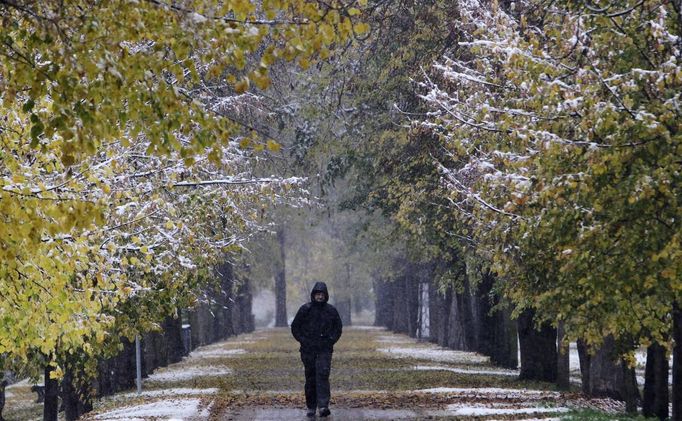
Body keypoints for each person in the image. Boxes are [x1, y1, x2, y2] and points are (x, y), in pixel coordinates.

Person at [291, 282, 343, 418]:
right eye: (317, 294)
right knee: (311, 377)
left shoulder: (331, 311)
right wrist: (304, 340)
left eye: (322, 294)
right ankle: (311, 406)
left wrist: (330, 340)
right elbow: (295, 327)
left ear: (326, 296)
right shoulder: (305, 310)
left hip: (325, 349)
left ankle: (323, 405)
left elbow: (338, 328)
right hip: (308, 350)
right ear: (313, 295)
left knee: (323, 375)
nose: (319, 297)